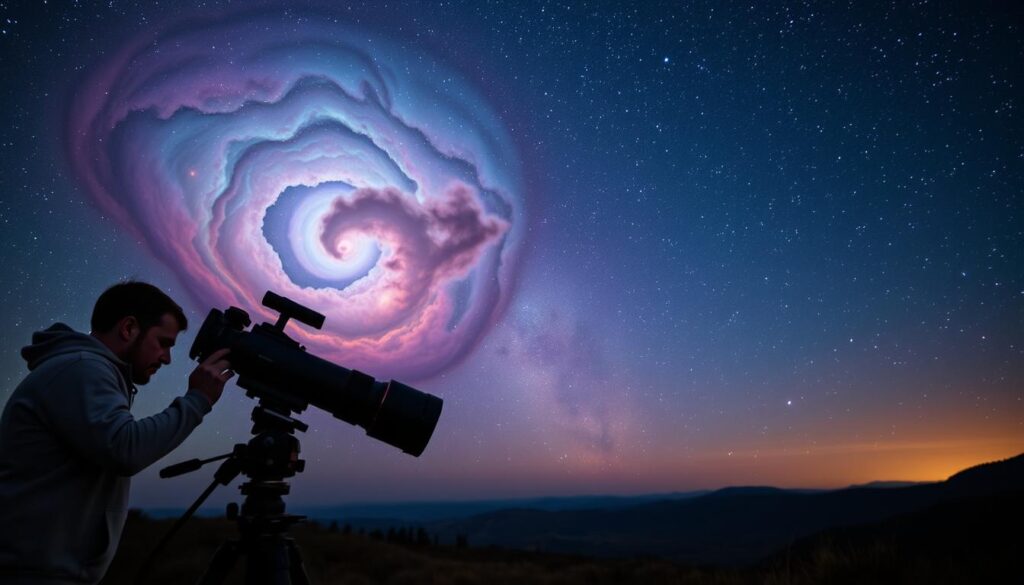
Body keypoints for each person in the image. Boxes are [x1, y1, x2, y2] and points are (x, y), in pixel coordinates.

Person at [0, 281, 233, 584]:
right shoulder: (82, 369)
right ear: (129, 328)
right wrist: (197, 400)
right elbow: (124, 447)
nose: (167, 358)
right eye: (163, 342)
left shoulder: (86, 369)